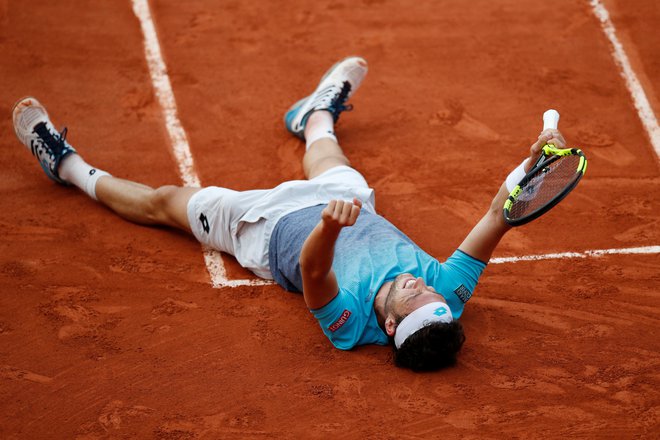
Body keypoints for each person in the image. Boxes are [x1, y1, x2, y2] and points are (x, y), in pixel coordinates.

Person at [13, 57, 566, 371]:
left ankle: (64, 164)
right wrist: (535, 166)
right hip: (345, 202)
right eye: (431, 294)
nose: (420, 284)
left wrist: (329, 223)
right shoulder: (444, 295)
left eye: (413, 296)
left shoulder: (349, 327)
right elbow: (500, 215)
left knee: (164, 202)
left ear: (391, 326)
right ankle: (316, 113)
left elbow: (314, 273)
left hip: (262, 226)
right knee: (329, 157)